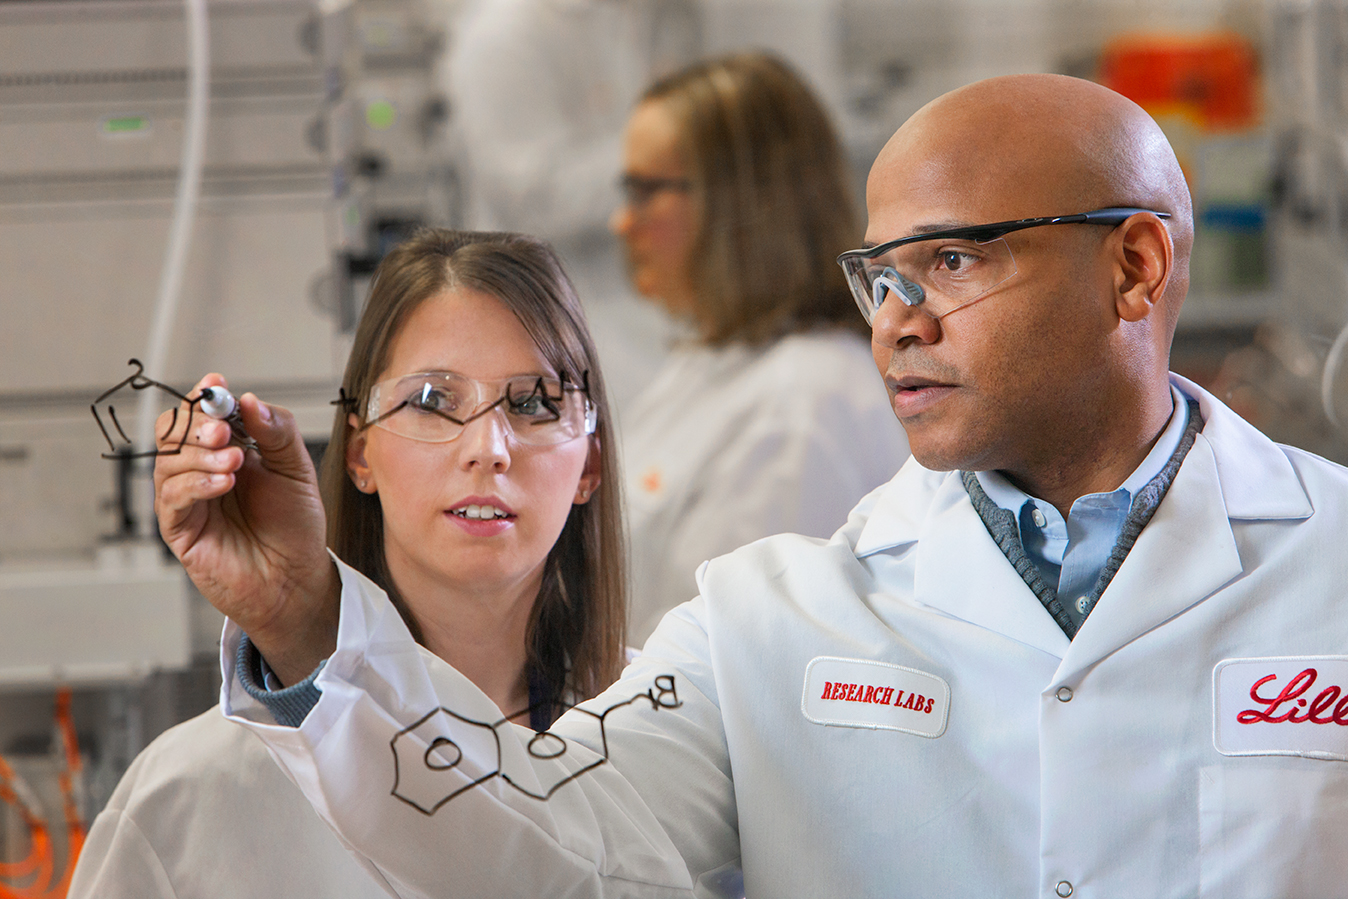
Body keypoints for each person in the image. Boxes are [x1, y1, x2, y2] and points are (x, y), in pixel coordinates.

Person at [178, 73, 1348, 896]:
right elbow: (540, 851)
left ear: (1133, 267)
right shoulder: (761, 623)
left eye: (952, 259)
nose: (897, 323)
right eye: (879, 276)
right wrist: (309, 627)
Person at [68, 229, 627, 897]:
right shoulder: (185, 800)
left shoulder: (670, 738)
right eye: (431, 401)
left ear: (589, 464)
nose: (489, 448)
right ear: (361, 453)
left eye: (532, 403)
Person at [612, 52, 908, 641]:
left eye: (647, 191)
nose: (623, 223)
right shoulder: (717, 359)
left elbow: (724, 653)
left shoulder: (803, 404)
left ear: (739, 203)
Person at [444, 0, 700, 416]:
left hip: (648, 312)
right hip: (559, 319)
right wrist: (668, 154)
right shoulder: (503, 35)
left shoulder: (657, 14)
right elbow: (535, 198)